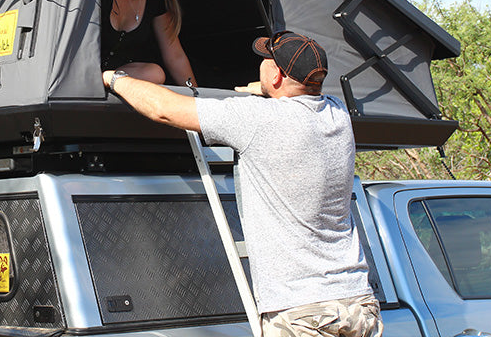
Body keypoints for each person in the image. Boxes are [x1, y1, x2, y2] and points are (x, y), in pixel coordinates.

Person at [103, 30, 383, 337]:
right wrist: (261, 90)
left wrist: (115, 79)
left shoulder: (258, 120)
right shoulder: (337, 113)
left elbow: (164, 109)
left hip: (303, 312)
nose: (259, 64)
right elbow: (292, 94)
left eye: (265, 60)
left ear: (276, 75)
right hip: (357, 301)